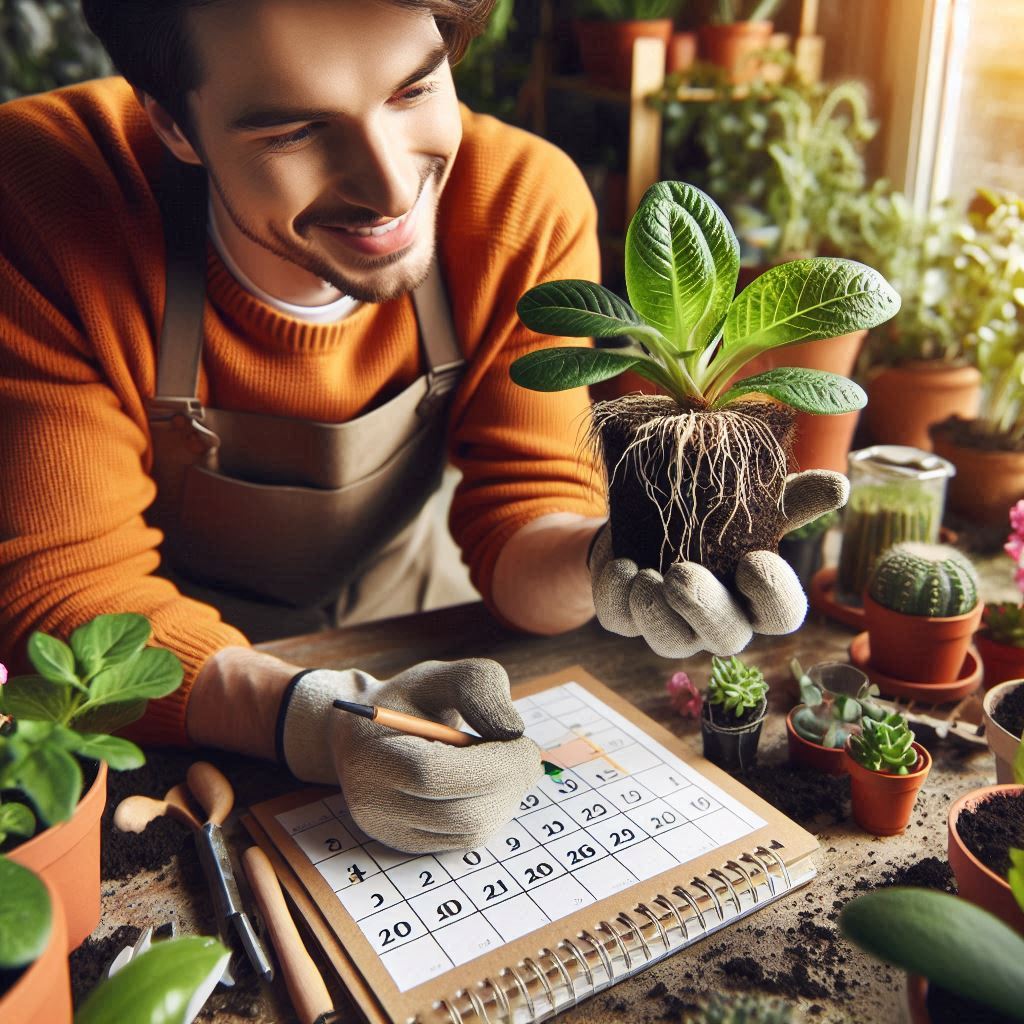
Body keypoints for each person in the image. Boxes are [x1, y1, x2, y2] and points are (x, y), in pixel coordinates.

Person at [0, 0, 845, 853]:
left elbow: (529, 503)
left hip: (401, 627)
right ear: (173, 124)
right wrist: (315, 715)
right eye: (293, 130)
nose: (391, 187)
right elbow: (66, 592)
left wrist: (608, 562)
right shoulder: (44, 192)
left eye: (413, 88)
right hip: (162, 685)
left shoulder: (520, 203)